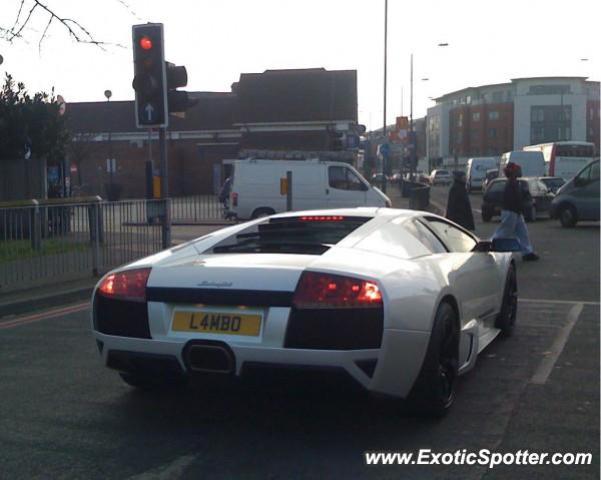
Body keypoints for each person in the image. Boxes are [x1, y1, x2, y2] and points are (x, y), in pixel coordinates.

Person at [493, 162, 539, 261]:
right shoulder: (511, 184)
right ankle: (490, 245)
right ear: (514, 172)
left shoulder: (513, 183)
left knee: (522, 233)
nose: (520, 171)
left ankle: (527, 252)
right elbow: (513, 199)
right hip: (511, 211)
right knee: (504, 232)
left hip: (514, 212)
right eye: (518, 170)